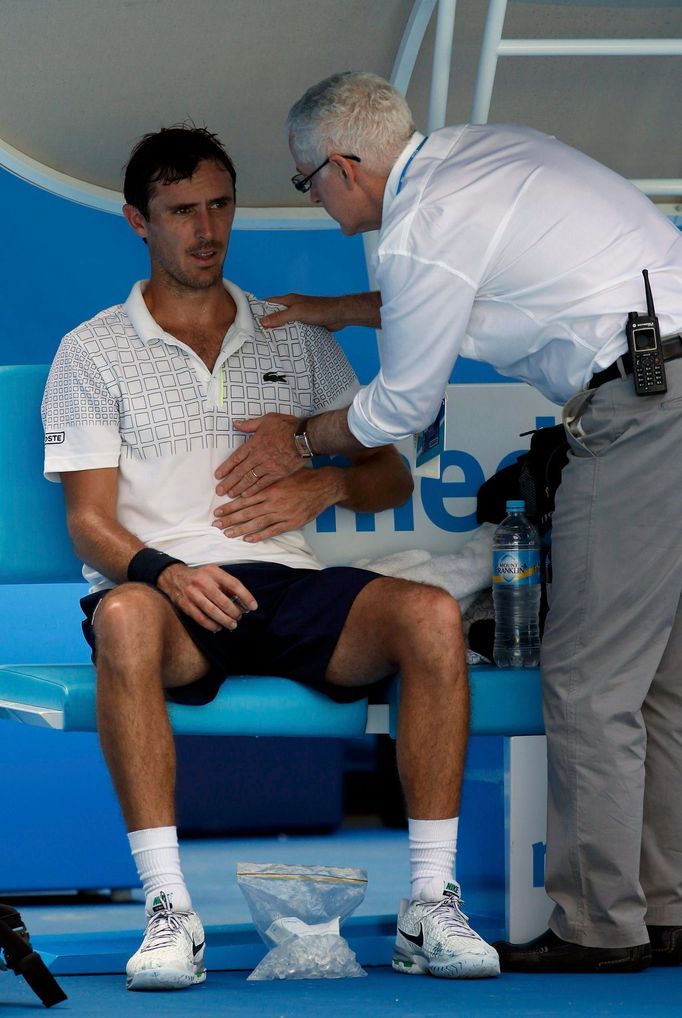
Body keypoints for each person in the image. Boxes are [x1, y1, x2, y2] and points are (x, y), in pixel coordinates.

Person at [214, 71, 682, 973]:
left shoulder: (420, 227)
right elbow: (461, 293)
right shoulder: (477, 155)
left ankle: (599, 927)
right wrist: (338, 314)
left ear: (345, 165)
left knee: (587, 683)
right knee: (658, 679)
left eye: (307, 182)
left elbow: (399, 407)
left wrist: (301, 440)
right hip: (669, 376)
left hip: (641, 410)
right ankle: (661, 910)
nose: (312, 200)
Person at [41, 124, 500, 991]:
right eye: (181, 211)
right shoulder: (91, 349)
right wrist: (164, 573)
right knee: (125, 617)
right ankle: (170, 910)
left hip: (291, 588)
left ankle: (429, 905)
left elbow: (389, 473)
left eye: (219, 205)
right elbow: (91, 527)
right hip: (169, 597)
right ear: (139, 221)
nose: (206, 229)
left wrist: (326, 487)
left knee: (432, 615)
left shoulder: (293, 334)